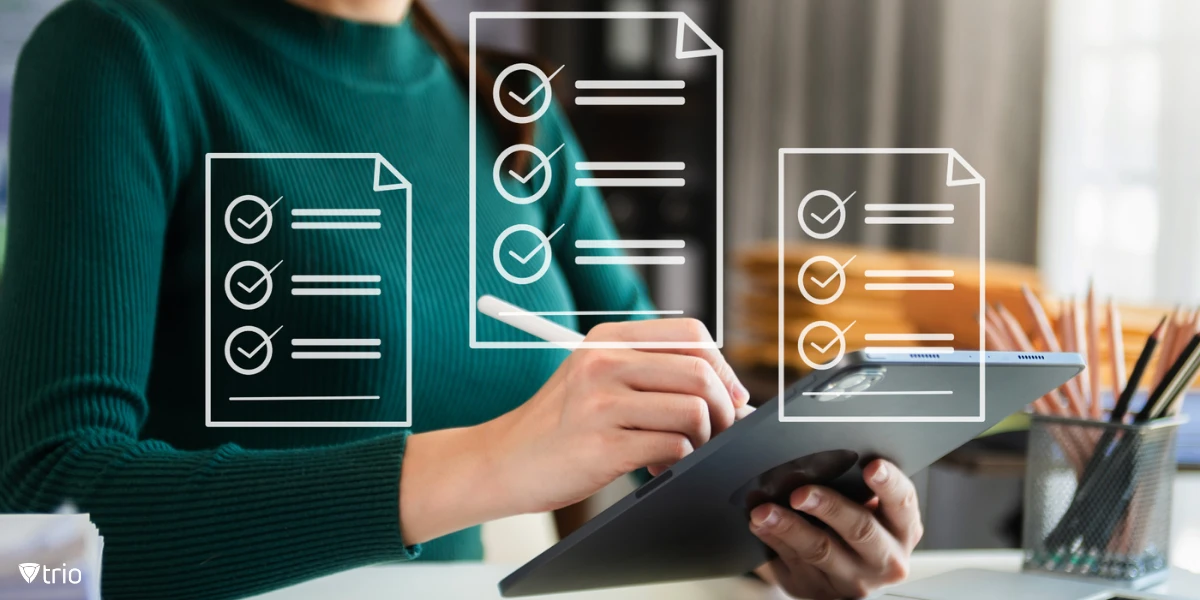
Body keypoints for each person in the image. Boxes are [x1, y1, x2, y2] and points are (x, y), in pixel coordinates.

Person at [0, 0, 923, 598]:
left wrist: (790, 532)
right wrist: (495, 459)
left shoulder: (507, 105)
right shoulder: (118, 52)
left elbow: (691, 429)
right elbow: (36, 534)